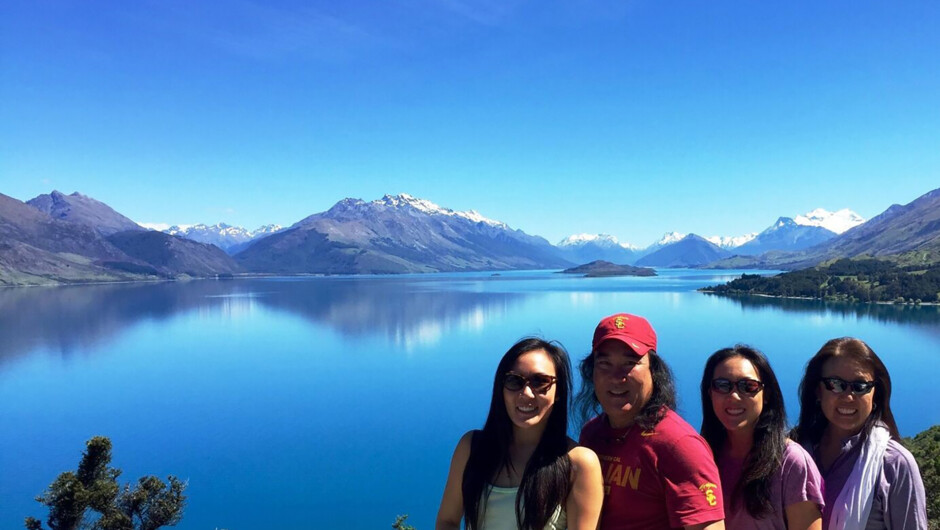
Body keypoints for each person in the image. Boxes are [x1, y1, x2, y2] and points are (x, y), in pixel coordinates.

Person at [436, 337, 603, 530]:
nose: (526, 394)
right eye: (514, 381)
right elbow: (447, 521)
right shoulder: (471, 448)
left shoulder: (578, 464)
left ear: (558, 392)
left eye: (540, 382)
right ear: (501, 387)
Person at [576, 313, 725, 529]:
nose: (616, 377)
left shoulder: (679, 446)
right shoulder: (591, 434)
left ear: (653, 371)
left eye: (630, 363)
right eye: (605, 363)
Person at [792, 337, 927, 530]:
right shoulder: (794, 450)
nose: (848, 397)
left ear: (875, 394)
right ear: (818, 391)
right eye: (835, 384)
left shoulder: (895, 465)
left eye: (860, 386)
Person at [700, 345, 824, 529]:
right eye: (722, 385)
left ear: (766, 395)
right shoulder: (703, 457)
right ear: (710, 393)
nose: (734, 396)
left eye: (748, 386)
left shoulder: (791, 462)